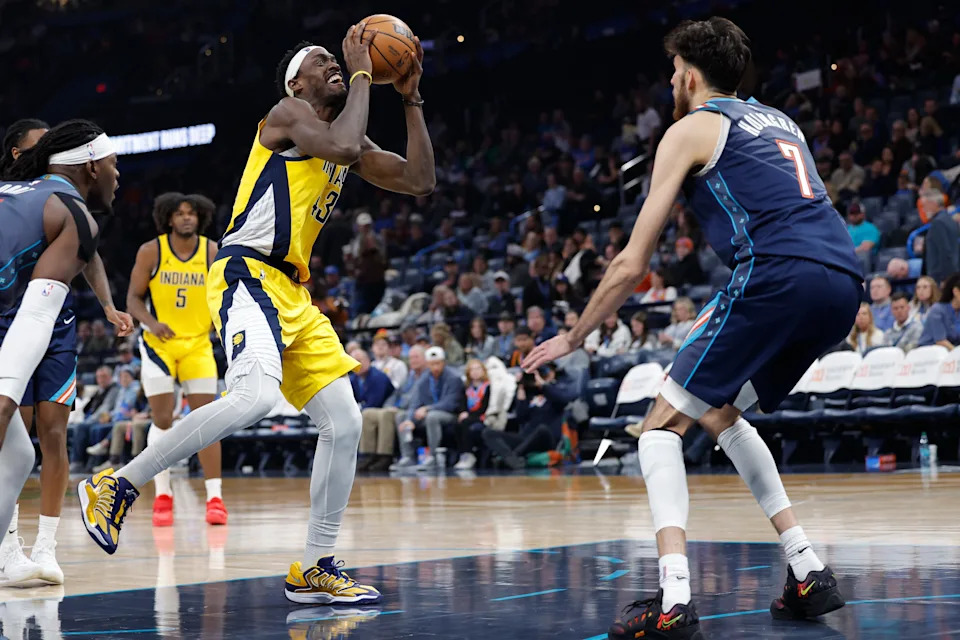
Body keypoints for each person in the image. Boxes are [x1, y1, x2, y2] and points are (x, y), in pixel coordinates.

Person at [524, 18, 859, 638]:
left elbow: (630, 264)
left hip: (777, 273)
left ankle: (674, 600)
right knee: (716, 408)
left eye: (672, 71)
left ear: (689, 74)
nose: (668, 81)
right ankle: (807, 569)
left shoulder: (689, 128)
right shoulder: (778, 120)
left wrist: (574, 336)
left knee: (658, 427)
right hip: (841, 281)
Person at [79, 23, 435, 607]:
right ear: (297, 81)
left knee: (344, 422)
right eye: (324, 61)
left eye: (339, 60)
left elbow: (421, 180)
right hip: (247, 272)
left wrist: (412, 98)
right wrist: (368, 70)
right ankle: (116, 484)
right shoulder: (287, 114)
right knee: (253, 396)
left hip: (293, 291)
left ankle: (316, 565)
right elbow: (345, 146)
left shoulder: (345, 138)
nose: (337, 65)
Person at [0, 120, 127, 586]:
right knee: (11, 437)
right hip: (22, 316)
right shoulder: (66, 210)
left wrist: (108, 306)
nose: (119, 175)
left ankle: (30, 552)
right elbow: (31, 321)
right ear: (91, 166)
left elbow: (84, 257)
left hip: (40, 317)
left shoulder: (34, 200)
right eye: (115, 164)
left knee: (22, 450)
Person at [126, 192, 227, 527]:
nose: (187, 218)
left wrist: (220, 322)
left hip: (198, 344)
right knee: (163, 418)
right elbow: (133, 299)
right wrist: (152, 323)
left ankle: (215, 499)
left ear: (201, 218)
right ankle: (163, 493)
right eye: (180, 213)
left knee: (207, 421)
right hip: (160, 344)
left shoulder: (212, 251)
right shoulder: (151, 250)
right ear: (168, 218)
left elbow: (223, 293)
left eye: (192, 214)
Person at [392, 346, 464, 471]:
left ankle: (433, 457)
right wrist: (410, 419)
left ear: (443, 363)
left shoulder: (454, 377)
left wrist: (428, 408)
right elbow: (415, 402)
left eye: (438, 363)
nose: (435, 367)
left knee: (432, 417)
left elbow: (451, 403)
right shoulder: (424, 379)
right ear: (427, 364)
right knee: (401, 416)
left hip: (450, 415)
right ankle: (408, 456)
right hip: (429, 413)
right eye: (432, 364)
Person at [453, 359, 491, 470]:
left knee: (466, 423)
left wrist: (469, 415)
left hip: (482, 416)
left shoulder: (488, 387)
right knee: (457, 423)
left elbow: (485, 406)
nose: (475, 372)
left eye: (478, 369)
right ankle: (462, 454)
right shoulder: (466, 388)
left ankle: (469, 454)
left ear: (483, 371)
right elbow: (462, 403)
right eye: (472, 369)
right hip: (469, 415)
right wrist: (463, 412)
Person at [918, 273, 960, 349]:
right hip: (929, 355)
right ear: (956, 292)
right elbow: (940, 341)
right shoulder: (937, 310)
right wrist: (957, 354)